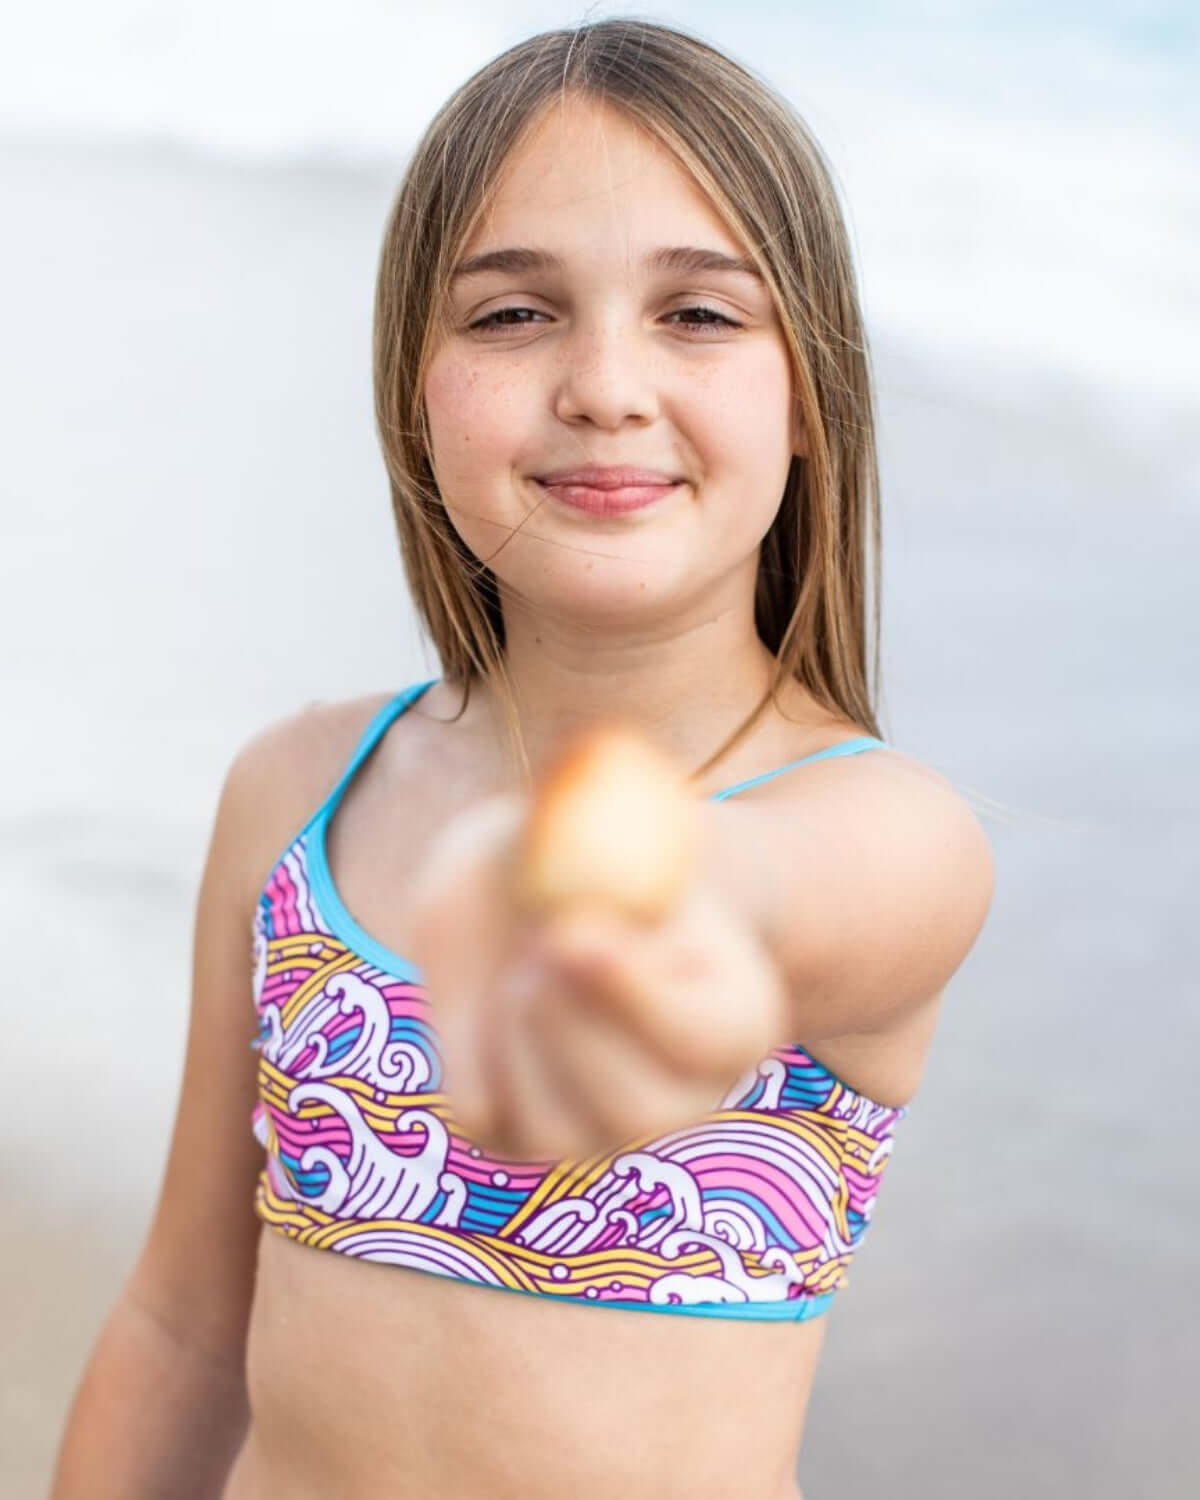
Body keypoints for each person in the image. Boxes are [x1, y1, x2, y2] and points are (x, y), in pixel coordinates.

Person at [49, 18, 994, 1500]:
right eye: (511, 315)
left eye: (699, 315)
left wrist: (626, 923)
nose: (606, 384)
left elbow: (749, 899)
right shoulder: (299, 794)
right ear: (414, 390)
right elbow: (182, 1323)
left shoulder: (888, 829)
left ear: (809, 393)